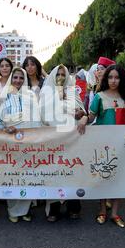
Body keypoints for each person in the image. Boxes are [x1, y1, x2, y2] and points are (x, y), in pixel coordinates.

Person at [86, 65, 125, 228]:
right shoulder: (99, 97)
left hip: (122, 145)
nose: (113, 81)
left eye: (117, 77)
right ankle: (102, 210)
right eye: (110, 77)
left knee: (118, 178)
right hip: (103, 143)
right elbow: (91, 117)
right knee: (103, 176)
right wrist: (81, 119)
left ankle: (114, 213)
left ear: (121, 79)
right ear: (106, 79)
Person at [39, 64, 87, 222]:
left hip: (71, 139)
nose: (60, 77)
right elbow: (42, 115)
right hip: (52, 138)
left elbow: (81, 111)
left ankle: (74, 206)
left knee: (72, 170)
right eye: (58, 74)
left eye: (63, 74)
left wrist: (80, 113)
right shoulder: (46, 92)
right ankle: (54, 207)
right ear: (53, 76)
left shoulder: (72, 91)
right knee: (53, 172)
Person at [0, 67, 41, 222]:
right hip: (10, 143)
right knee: (13, 176)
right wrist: (6, 128)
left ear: (25, 80)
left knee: (27, 176)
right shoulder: (4, 97)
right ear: (11, 79)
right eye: (15, 78)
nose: (18, 81)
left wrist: (29, 132)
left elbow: (37, 120)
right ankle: (13, 211)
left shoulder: (31, 97)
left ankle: (25, 210)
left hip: (28, 143)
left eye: (21, 78)